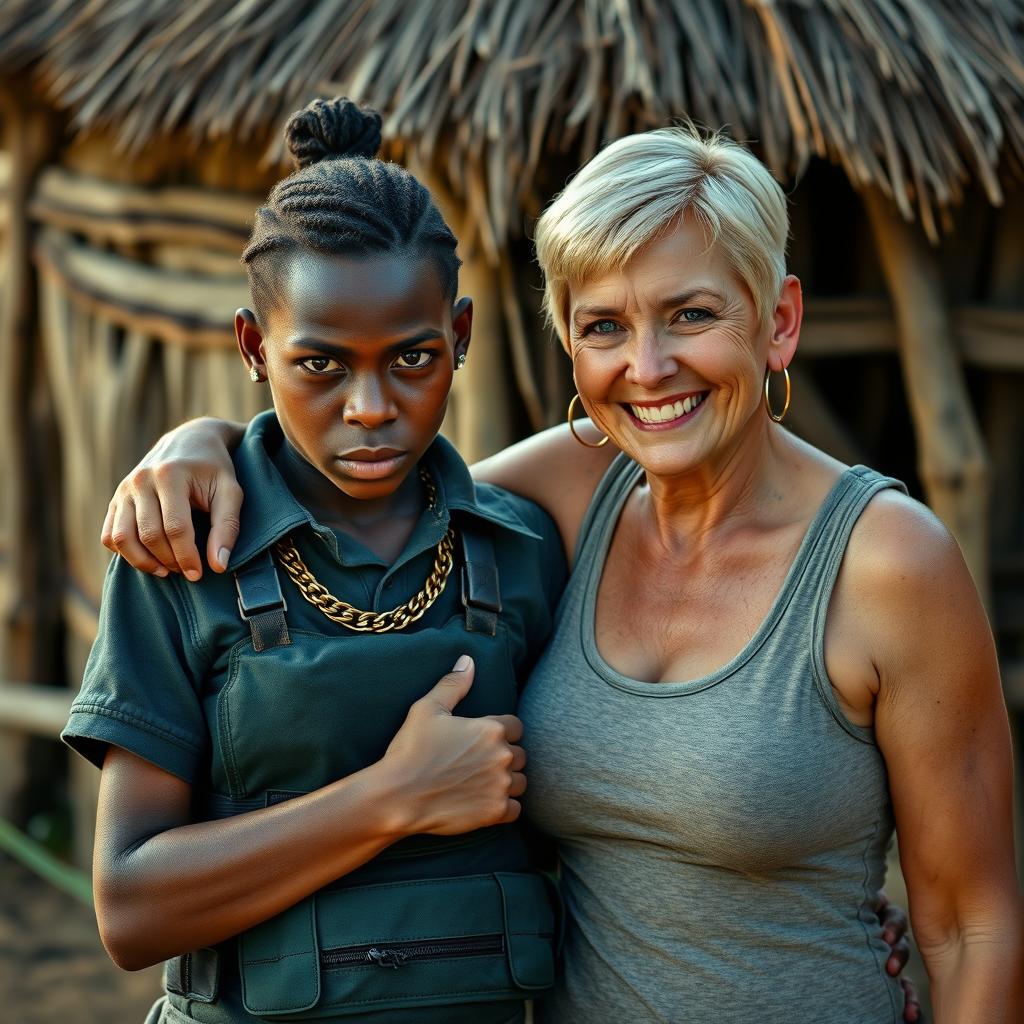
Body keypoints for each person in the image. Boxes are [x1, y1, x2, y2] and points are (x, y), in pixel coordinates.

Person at [94, 125, 963, 1022]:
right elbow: (348, 486)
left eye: (693, 315)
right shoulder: (545, 502)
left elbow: (972, 924)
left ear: (778, 322)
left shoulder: (876, 558)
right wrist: (205, 445)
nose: (649, 366)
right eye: (604, 327)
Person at [62, 98, 569, 1024]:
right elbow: (130, 909)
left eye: (413, 358)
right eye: (322, 365)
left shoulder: (528, 550)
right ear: (255, 349)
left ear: (460, 335)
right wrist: (395, 797)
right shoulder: (183, 555)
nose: (372, 406)